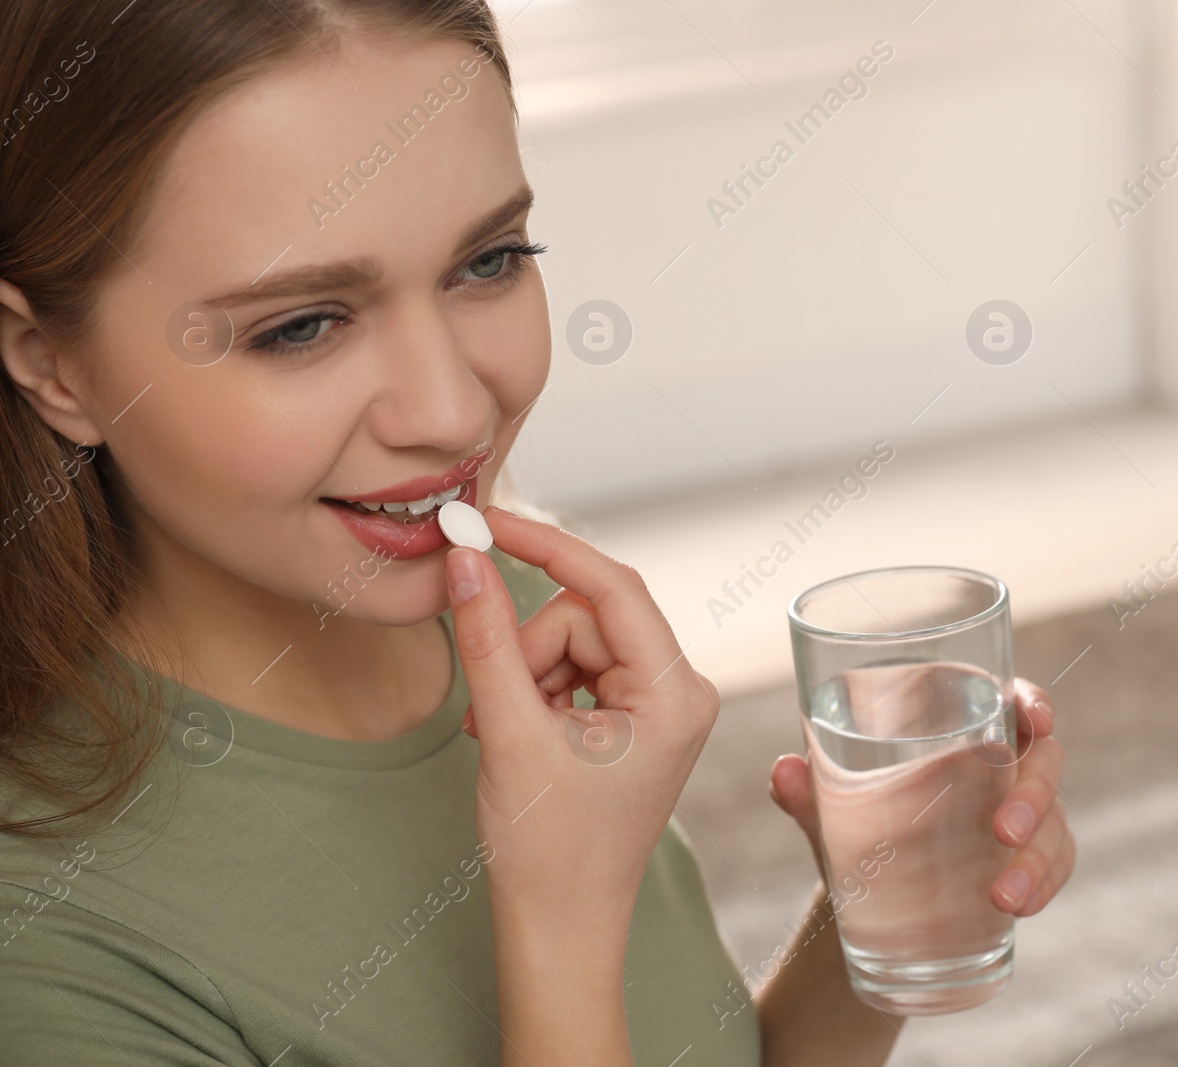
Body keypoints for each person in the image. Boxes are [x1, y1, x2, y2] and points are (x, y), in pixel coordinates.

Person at [0, 2, 1076, 1063]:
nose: (455, 411)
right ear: (50, 362)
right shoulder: (45, 939)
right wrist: (559, 916)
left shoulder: (516, 615)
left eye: (489, 261)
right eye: (301, 326)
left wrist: (868, 916)